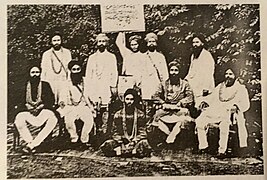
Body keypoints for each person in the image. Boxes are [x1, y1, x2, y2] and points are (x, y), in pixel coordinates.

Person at [195, 65, 250, 158]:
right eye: (226, 74)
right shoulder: (220, 86)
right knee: (199, 120)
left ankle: (222, 151)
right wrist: (205, 102)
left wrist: (236, 106)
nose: (228, 76)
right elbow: (211, 98)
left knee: (224, 124)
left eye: (230, 74)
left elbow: (246, 104)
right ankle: (203, 146)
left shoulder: (241, 88)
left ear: (235, 76)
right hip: (216, 110)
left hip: (230, 113)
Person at [14, 64, 57, 153]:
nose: (35, 74)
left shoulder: (45, 85)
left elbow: (51, 100)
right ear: (29, 74)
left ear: (40, 73)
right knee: (19, 119)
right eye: (33, 72)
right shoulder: (23, 85)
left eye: (37, 72)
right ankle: (30, 142)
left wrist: (42, 106)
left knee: (53, 119)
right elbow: (18, 100)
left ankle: (32, 145)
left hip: (42, 110)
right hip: (28, 110)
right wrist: (26, 106)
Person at [151, 61, 194, 144]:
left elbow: (190, 97)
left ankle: (173, 135)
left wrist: (181, 102)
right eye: (172, 70)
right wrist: (163, 103)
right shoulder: (163, 84)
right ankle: (169, 135)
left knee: (184, 117)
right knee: (156, 116)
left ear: (179, 72)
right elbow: (155, 96)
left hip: (179, 109)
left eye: (176, 70)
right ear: (169, 71)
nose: (173, 73)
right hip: (166, 108)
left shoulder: (185, 84)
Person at [100, 89, 151, 157]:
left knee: (144, 143)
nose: (129, 102)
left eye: (131, 99)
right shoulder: (118, 114)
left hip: (135, 141)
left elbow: (143, 132)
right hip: (121, 141)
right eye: (127, 99)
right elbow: (114, 132)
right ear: (124, 100)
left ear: (134, 101)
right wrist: (121, 142)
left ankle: (123, 151)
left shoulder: (140, 114)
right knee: (108, 144)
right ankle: (130, 151)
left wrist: (134, 141)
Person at [57, 61, 95, 144]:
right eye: (74, 69)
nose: (76, 71)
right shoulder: (67, 83)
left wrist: (94, 101)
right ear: (71, 70)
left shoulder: (86, 81)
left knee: (89, 121)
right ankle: (74, 138)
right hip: (71, 107)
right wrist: (62, 101)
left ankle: (84, 139)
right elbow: (63, 95)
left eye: (78, 69)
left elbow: (91, 93)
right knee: (69, 121)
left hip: (83, 106)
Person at [85, 33, 118, 105]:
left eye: (103, 41)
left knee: (106, 105)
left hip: (106, 85)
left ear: (106, 43)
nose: (101, 43)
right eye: (99, 41)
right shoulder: (92, 57)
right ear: (96, 43)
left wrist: (113, 86)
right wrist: (88, 87)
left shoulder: (111, 57)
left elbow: (114, 72)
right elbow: (88, 74)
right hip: (94, 85)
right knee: (95, 105)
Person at [41, 31, 72, 106]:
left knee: (63, 101)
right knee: (52, 102)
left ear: (61, 41)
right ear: (51, 42)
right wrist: (43, 83)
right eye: (54, 41)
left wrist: (69, 80)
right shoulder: (46, 54)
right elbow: (44, 69)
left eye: (58, 40)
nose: (56, 42)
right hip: (50, 80)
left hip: (63, 80)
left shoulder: (67, 52)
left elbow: (69, 68)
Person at [185, 34, 215, 107]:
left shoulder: (207, 55)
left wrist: (206, 88)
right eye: (193, 42)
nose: (195, 44)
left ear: (202, 43)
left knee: (203, 106)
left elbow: (209, 72)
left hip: (204, 86)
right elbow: (191, 70)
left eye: (197, 42)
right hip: (194, 85)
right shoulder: (193, 56)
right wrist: (185, 80)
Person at [142, 32, 169, 99]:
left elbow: (164, 73)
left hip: (157, 83)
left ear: (156, 43)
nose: (151, 43)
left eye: (153, 41)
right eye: (149, 41)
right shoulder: (143, 57)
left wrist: (165, 86)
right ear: (147, 43)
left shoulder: (160, 56)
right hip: (145, 84)